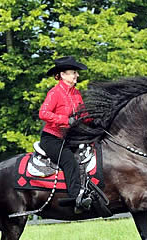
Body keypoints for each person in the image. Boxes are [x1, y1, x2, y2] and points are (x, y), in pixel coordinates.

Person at [39, 56, 90, 212]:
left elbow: (83, 114)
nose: (77, 76)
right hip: (52, 139)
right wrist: (65, 120)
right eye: (73, 72)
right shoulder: (54, 93)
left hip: (71, 138)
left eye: (76, 72)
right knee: (69, 161)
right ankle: (76, 199)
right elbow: (43, 113)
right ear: (62, 75)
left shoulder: (76, 93)